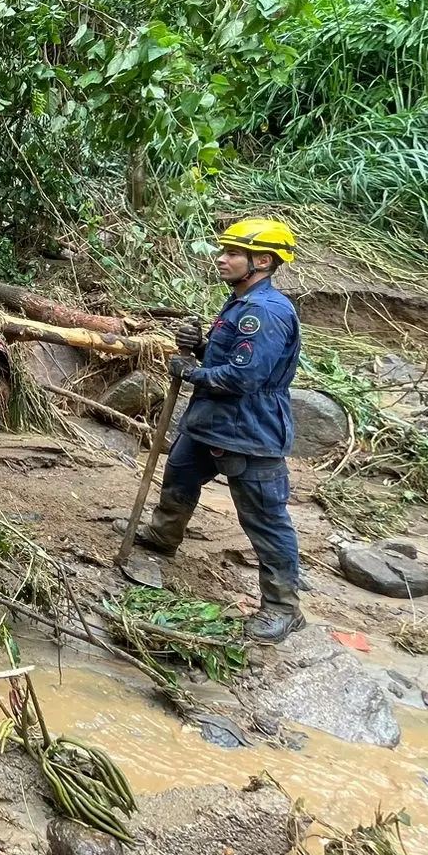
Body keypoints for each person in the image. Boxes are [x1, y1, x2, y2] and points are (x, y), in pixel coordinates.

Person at [126, 218, 305, 643]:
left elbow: (243, 377)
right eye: (223, 251)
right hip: (212, 423)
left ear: (262, 261)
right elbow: (232, 357)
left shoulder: (265, 312)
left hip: (250, 430)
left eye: (232, 254)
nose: (221, 259)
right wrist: (201, 348)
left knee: (264, 518)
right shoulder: (241, 301)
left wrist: (193, 371)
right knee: (181, 472)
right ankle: (163, 536)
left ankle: (283, 606)